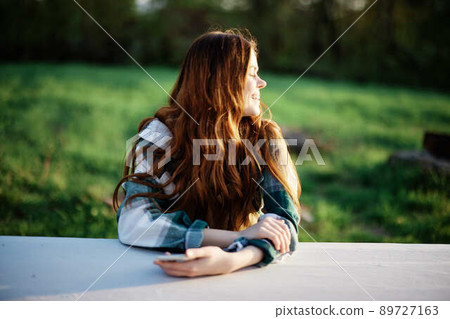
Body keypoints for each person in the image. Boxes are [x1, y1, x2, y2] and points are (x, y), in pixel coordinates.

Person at [113, 29, 301, 277]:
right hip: (162, 271)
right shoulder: (160, 135)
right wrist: (239, 236)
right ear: (222, 80)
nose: (261, 83)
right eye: (251, 73)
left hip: (244, 275)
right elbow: (134, 222)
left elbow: (284, 225)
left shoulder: (265, 139)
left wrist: (234, 259)